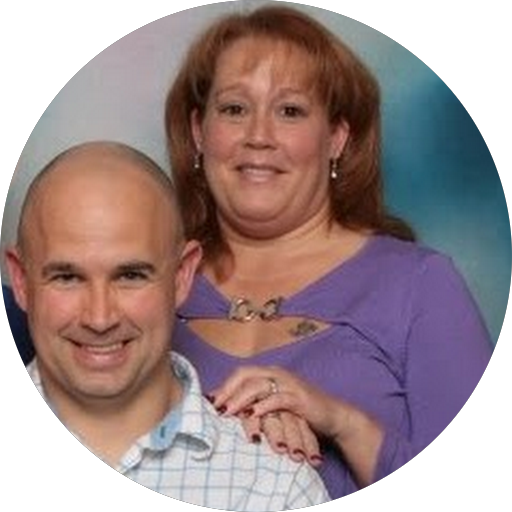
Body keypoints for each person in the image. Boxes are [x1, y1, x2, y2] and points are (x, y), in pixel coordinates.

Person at [164, 5, 493, 499]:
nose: (258, 136)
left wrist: (342, 423)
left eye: (290, 111)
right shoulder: (145, 284)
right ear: (197, 131)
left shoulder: (421, 285)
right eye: (234, 109)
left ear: (337, 138)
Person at [4, 141, 329, 509]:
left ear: (181, 277)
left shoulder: (274, 487)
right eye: (67, 277)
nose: (99, 318)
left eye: (130, 275)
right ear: (21, 282)